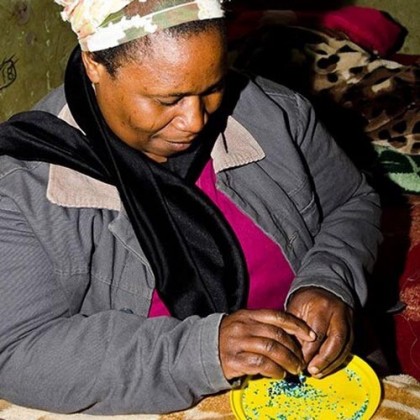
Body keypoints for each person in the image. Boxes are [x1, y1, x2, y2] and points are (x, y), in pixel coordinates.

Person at [0, 0, 381, 415]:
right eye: (168, 100)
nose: (196, 120)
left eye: (212, 88)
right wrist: (204, 353)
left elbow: (351, 201)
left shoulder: (273, 112)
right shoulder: (25, 185)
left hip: (314, 383)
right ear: (94, 64)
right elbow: (18, 351)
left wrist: (328, 280)